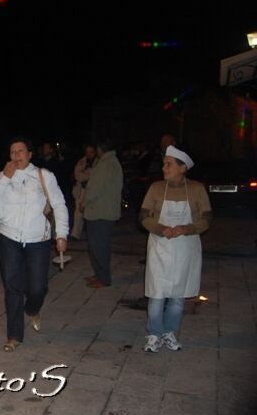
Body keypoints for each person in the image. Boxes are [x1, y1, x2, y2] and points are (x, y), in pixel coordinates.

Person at [0, 137, 68, 352]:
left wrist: (62, 234)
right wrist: (5, 178)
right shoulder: (1, 177)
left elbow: (59, 205)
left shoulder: (43, 176)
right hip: (8, 238)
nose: (16, 156)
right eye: (12, 152)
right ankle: (14, 335)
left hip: (37, 240)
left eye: (20, 151)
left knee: (38, 286)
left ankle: (32, 308)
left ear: (30, 154)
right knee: (12, 287)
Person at [139, 146, 211, 353]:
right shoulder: (156, 188)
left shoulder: (197, 189)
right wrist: (160, 228)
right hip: (160, 246)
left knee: (178, 296)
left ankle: (169, 332)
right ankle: (154, 333)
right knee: (157, 293)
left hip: (185, 247)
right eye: (164, 163)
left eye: (169, 164)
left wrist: (187, 228)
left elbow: (206, 218)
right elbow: (143, 216)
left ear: (182, 168)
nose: (164, 167)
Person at [82, 139, 123, 288]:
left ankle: (103, 278)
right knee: (97, 246)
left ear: (100, 149)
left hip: (100, 212)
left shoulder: (106, 164)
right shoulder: (111, 162)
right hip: (103, 211)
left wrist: (83, 202)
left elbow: (94, 189)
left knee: (99, 247)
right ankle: (99, 274)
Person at [69, 144, 96, 240]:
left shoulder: (99, 162)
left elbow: (96, 176)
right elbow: (77, 175)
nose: (89, 154)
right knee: (78, 212)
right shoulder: (82, 161)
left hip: (94, 190)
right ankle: (75, 234)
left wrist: (85, 173)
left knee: (92, 212)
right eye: (87, 152)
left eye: (91, 152)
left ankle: (93, 233)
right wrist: (88, 174)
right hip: (82, 189)